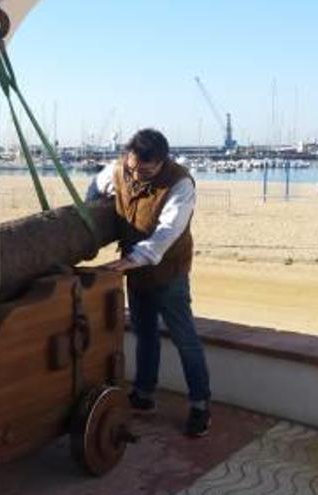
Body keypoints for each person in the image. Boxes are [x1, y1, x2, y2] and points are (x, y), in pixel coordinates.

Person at [102, 128, 211, 438]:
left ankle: (201, 405)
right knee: (144, 334)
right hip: (136, 273)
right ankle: (144, 394)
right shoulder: (119, 169)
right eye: (133, 168)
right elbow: (96, 190)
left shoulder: (180, 183)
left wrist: (134, 258)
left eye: (146, 171)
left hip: (168, 274)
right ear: (127, 157)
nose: (137, 176)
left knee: (185, 340)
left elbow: (167, 233)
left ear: (162, 162)